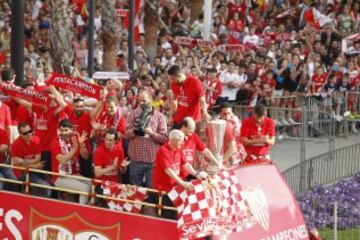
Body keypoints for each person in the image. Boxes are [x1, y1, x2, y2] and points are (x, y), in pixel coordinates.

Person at [150, 129, 208, 219]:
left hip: (174, 187)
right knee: (169, 215)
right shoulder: (163, 151)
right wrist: (183, 183)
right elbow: (169, 171)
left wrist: (196, 174)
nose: (183, 144)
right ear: (173, 140)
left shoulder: (178, 149)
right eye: (181, 141)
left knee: (179, 211)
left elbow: (186, 164)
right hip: (164, 189)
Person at [125, 90, 167, 188]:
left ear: (150, 100)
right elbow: (126, 135)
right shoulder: (132, 114)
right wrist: (134, 131)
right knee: (135, 188)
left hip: (152, 160)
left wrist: (152, 133)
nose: (142, 103)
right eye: (140, 101)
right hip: (136, 159)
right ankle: (137, 203)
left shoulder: (160, 116)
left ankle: (148, 203)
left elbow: (164, 139)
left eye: (144, 100)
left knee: (151, 188)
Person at [50, 119, 90, 205]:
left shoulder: (75, 139)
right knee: (85, 188)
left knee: (92, 185)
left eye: (66, 130)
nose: (63, 133)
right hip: (60, 177)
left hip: (74, 175)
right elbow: (62, 160)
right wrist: (75, 148)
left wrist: (82, 145)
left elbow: (85, 156)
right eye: (61, 130)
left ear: (71, 130)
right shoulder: (55, 142)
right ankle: (82, 212)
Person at [11, 122, 51, 197]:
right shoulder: (15, 145)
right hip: (22, 173)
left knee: (52, 185)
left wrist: (23, 161)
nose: (29, 134)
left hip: (35, 170)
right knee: (46, 189)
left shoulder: (36, 139)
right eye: (25, 133)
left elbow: (37, 159)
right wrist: (34, 166)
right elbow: (16, 165)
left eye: (30, 131)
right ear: (20, 134)